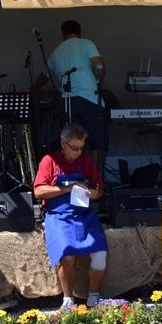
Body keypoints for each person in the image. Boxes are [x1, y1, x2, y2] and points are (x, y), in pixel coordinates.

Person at [33, 124, 108, 309]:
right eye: (74, 148)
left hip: (84, 214)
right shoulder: (49, 161)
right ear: (63, 144)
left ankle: (94, 298)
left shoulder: (86, 160)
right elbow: (39, 191)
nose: (78, 152)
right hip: (59, 215)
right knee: (67, 254)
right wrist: (67, 189)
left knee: (100, 253)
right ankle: (68, 301)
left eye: (81, 147)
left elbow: (99, 189)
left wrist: (94, 193)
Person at [33, 20, 107, 169]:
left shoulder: (56, 52)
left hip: (67, 103)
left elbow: (43, 77)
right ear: (79, 32)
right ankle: (97, 178)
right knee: (97, 143)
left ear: (63, 34)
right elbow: (99, 65)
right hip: (89, 99)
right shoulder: (86, 43)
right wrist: (99, 81)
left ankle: (77, 177)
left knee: (73, 143)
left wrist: (33, 87)